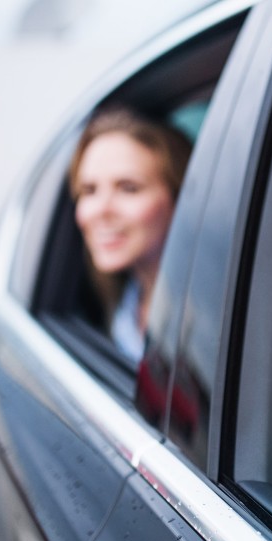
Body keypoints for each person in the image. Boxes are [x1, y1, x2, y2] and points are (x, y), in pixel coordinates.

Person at [69, 107, 192, 361]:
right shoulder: (124, 302)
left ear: (179, 199)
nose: (101, 210)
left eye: (128, 188)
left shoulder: (217, 317)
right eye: (89, 190)